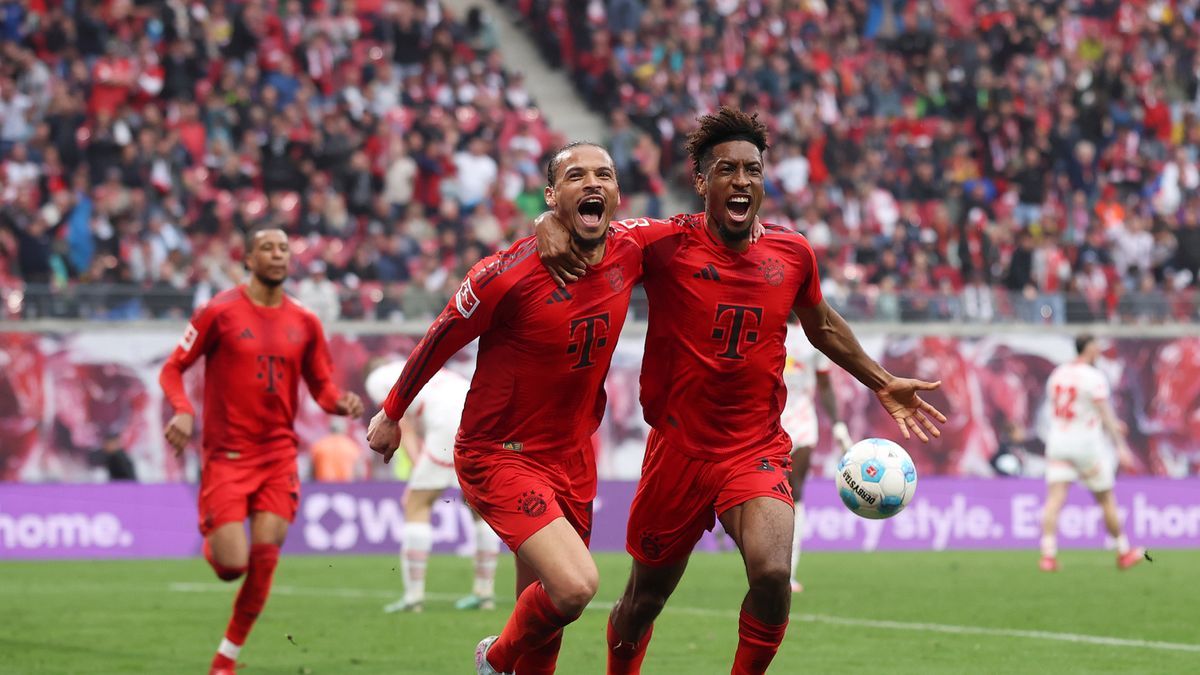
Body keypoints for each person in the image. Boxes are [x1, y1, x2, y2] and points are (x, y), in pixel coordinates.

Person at [537, 108, 947, 675]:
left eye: (752, 170)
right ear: (703, 182)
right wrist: (547, 222)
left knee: (774, 575)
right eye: (727, 170)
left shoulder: (792, 253)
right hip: (677, 453)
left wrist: (881, 381)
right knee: (642, 603)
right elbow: (590, 229)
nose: (742, 181)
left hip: (753, 449)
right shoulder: (663, 244)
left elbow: (821, 324)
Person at [366, 143, 651, 675]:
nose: (593, 183)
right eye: (575, 176)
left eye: (604, 174)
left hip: (571, 457)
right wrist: (391, 411)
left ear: (616, 193)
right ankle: (493, 661)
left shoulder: (633, 247)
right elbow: (440, 337)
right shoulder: (505, 274)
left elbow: (699, 234)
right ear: (550, 194)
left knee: (546, 614)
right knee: (575, 585)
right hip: (499, 455)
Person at [159, 225, 364, 675]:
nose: (277, 255)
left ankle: (224, 660)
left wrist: (338, 401)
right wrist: (182, 410)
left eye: (284, 248)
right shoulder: (219, 312)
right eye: (266, 248)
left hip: (277, 456)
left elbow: (321, 384)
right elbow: (174, 368)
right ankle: (215, 534)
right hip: (227, 456)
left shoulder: (305, 321)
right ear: (248, 260)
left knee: (266, 554)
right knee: (232, 565)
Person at [363, 358, 502, 614]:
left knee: (416, 504)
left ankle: (413, 597)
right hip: (477, 414)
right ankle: (485, 594)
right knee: (477, 506)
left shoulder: (376, 379)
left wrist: (417, 462)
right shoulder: (421, 368)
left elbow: (396, 420)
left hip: (446, 420)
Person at [1039, 334, 1147, 572]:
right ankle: (1123, 551)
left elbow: (1065, 407)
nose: (1099, 350)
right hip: (1086, 445)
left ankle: (1048, 555)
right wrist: (1120, 445)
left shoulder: (1058, 373)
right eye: (1096, 346)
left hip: (1058, 441)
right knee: (1106, 498)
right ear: (1088, 349)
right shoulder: (1093, 376)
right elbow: (1104, 411)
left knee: (1054, 500)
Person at [781, 322, 853, 593]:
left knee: (793, 490)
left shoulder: (812, 338)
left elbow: (825, 385)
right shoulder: (768, 326)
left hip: (801, 419)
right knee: (771, 490)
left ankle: (788, 570)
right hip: (768, 416)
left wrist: (837, 424)